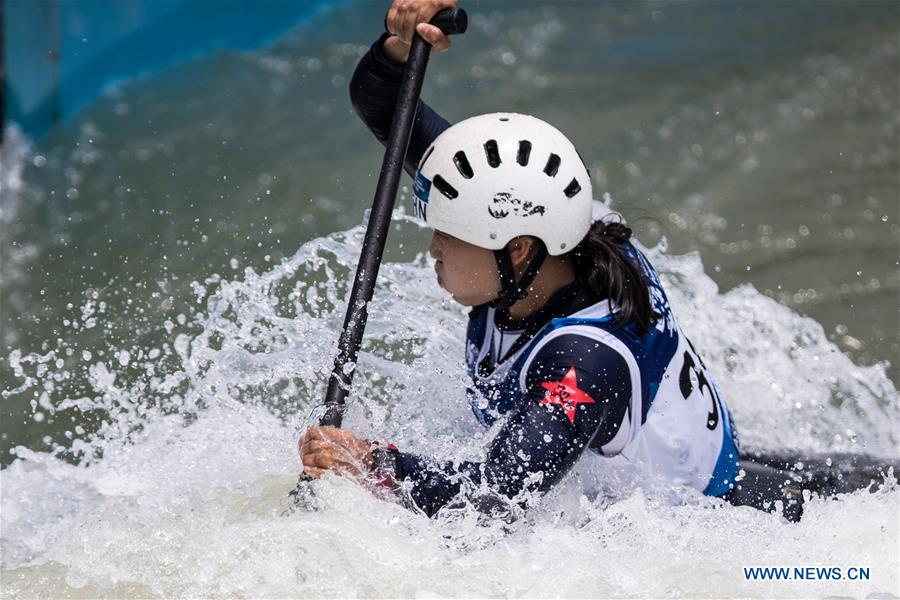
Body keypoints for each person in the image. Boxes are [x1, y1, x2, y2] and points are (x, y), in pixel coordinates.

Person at [297, 0, 888, 521]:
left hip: (727, 518)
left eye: (448, 236)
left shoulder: (581, 360)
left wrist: (376, 464)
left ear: (519, 248)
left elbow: (495, 502)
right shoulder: (550, 225)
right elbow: (386, 107)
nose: (433, 250)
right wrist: (400, 50)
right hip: (714, 456)